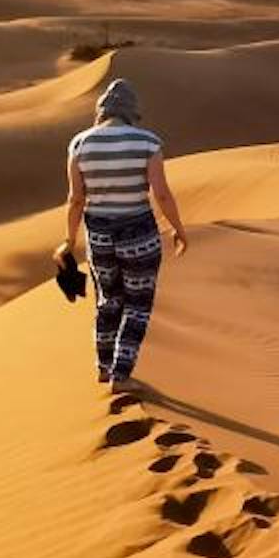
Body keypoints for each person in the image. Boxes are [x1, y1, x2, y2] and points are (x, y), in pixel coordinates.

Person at [58, 77, 188, 387]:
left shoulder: (80, 143)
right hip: (139, 233)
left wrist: (69, 241)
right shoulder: (148, 142)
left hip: (98, 235)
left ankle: (104, 367)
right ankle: (121, 374)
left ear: (101, 111)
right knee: (138, 305)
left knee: (108, 301)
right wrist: (178, 229)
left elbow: (76, 199)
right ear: (132, 111)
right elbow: (161, 194)